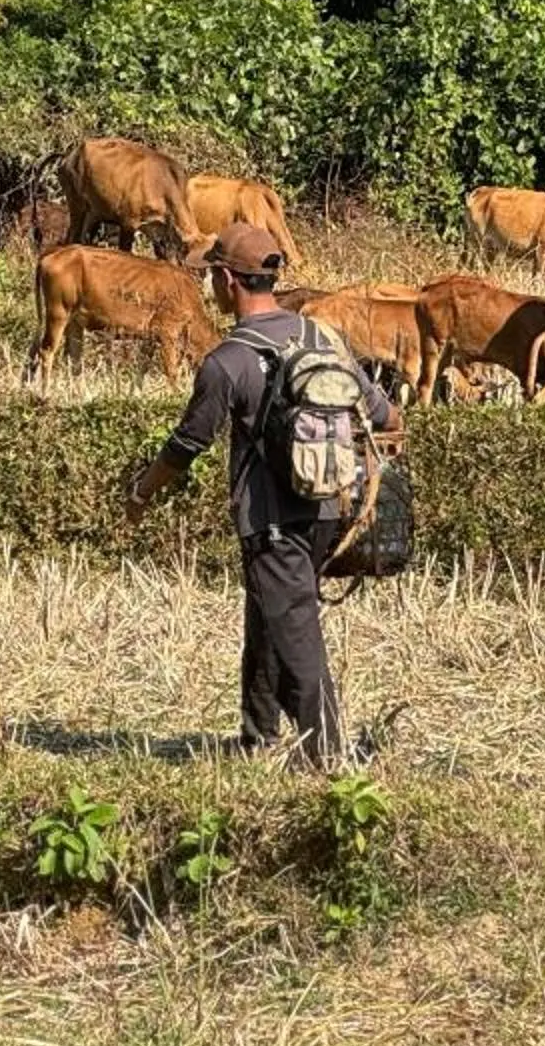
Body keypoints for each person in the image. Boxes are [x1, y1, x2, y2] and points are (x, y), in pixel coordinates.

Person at [124, 223, 399, 764]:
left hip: (271, 521)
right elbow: (388, 416)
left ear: (227, 280)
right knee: (269, 613)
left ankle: (326, 751)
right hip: (332, 511)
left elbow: (187, 444)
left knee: (295, 626)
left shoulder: (227, 360)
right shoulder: (323, 339)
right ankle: (257, 735)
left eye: (212, 277)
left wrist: (140, 493)